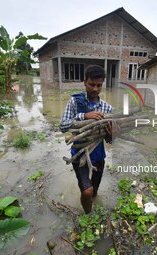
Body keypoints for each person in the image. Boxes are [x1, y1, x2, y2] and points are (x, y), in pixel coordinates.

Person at [60, 65, 116, 214]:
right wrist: (83, 116)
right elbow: (63, 126)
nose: (95, 89)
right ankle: (88, 216)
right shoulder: (75, 101)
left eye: (99, 85)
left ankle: (93, 205)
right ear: (84, 82)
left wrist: (111, 135)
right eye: (92, 84)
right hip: (80, 155)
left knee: (94, 191)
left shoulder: (107, 108)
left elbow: (111, 140)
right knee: (86, 191)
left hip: (98, 156)